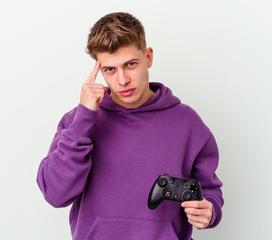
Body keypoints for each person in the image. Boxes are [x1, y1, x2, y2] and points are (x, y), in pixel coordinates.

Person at [36, 12, 224, 240]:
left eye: (130, 64)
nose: (122, 80)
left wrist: (210, 211)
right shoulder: (77, 122)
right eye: (110, 70)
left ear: (149, 57)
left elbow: (209, 190)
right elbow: (56, 195)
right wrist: (84, 119)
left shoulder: (188, 123)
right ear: (99, 70)